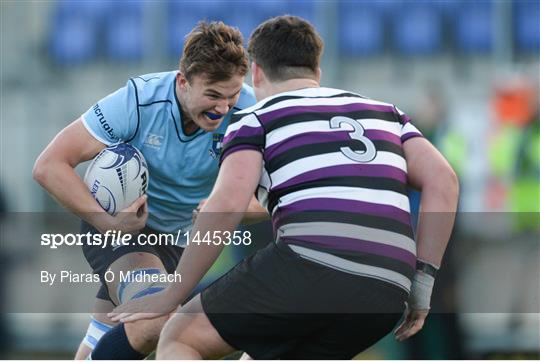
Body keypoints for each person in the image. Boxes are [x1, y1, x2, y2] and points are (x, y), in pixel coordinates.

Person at [109, 15, 459, 359]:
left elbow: (227, 204)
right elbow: (443, 180)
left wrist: (173, 294)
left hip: (310, 265)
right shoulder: (387, 114)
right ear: (316, 72)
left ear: (256, 71)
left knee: (182, 337)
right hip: (387, 289)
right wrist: (422, 285)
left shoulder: (257, 118)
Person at [33, 21, 257, 360]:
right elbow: (49, 165)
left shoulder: (251, 113)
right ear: (183, 81)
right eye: (212, 95)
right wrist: (110, 224)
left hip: (181, 241)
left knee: (104, 337)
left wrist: (226, 206)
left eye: (232, 95)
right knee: (157, 318)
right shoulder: (139, 100)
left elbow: (274, 200)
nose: (223, 108)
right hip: (122, 230)